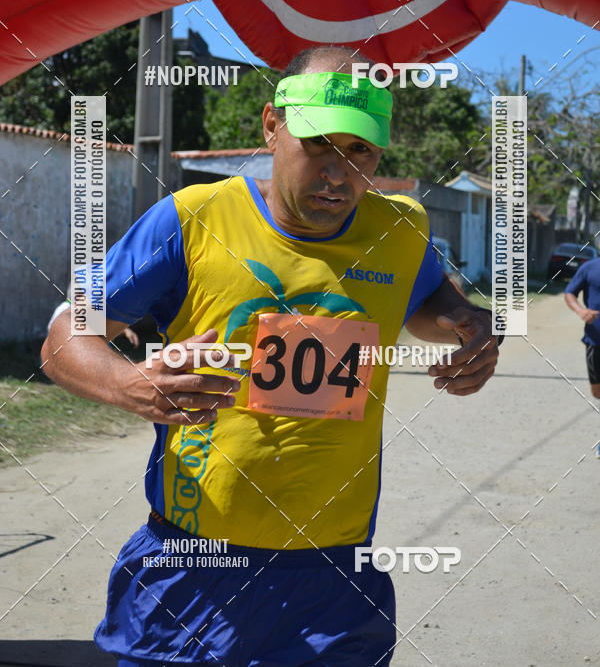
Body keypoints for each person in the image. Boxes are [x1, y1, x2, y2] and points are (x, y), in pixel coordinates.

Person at [42, 46, 500, 667]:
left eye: (360, 151)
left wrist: (473, 331)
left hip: (334, 579)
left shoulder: (402, 229)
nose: (339, 174)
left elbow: (435, 302)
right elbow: (65, 334)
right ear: (272, 126)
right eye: (319, 145)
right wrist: (129, 383)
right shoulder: (192, 218)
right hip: (192, 567)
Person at [564, 254, 600, 457]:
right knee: (597, 392)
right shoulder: (589, 268)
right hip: (595, 340)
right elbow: (569, 293)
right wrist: (580, 311)